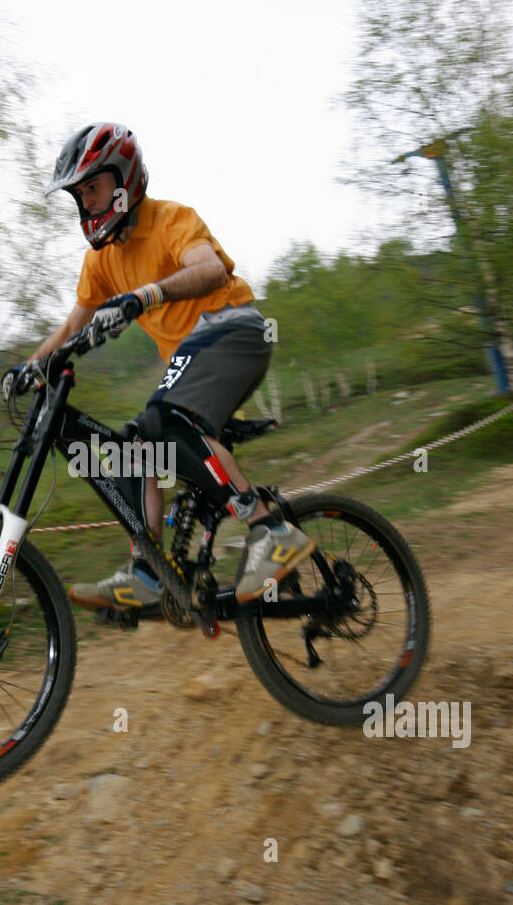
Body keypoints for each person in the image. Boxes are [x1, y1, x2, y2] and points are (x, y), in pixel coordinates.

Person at [31, 121, 314, 618]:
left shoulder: (170, 219)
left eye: (92, 188)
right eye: (79, 196)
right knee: (137, 447)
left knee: (163, 421)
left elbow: (211, 269)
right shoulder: (100, 262)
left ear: (124, 181)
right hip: (195, 364)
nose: (86, 204)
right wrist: (28, 368)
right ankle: (147, 572)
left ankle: (273, 532)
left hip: (235, 332)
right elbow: (71, 327)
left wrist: (145, 296)